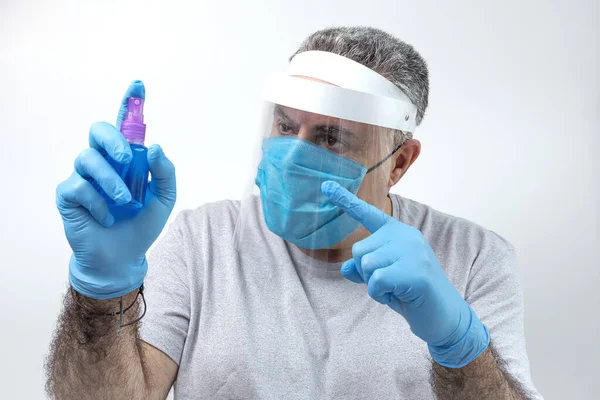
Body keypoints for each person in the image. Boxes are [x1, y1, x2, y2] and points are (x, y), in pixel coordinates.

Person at [45, 27, 542, 399]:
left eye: (330, 138)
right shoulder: (204, 241)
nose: (294, 155)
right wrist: (99, 289)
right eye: (285, 126)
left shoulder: (474, 258)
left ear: (399, 163)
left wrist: (459, 344)